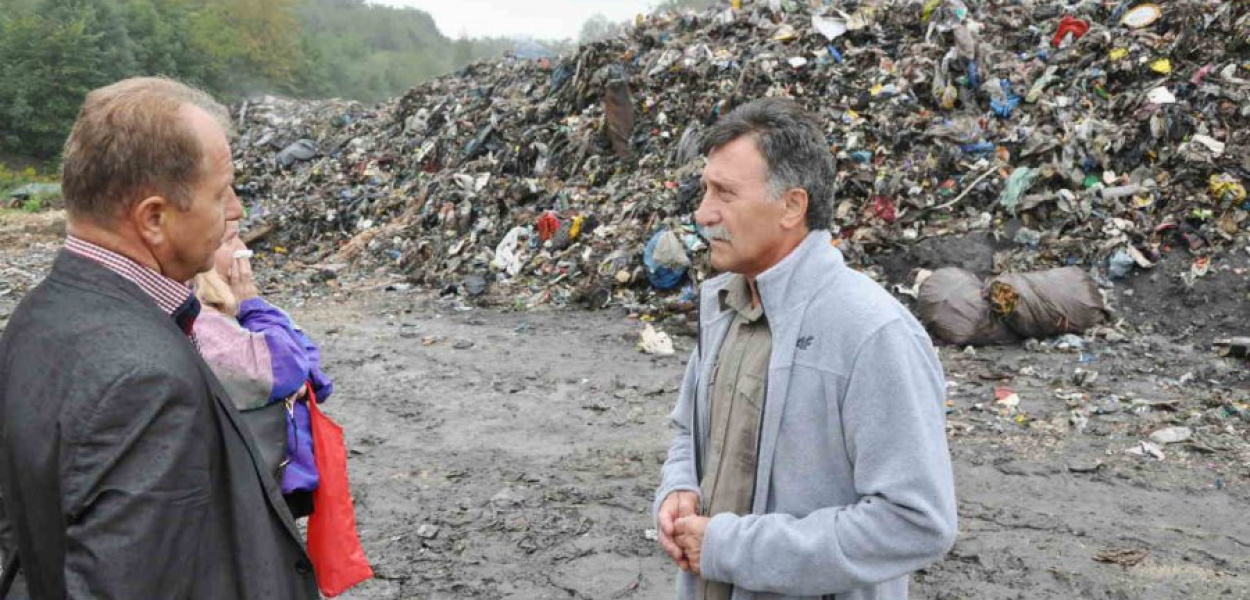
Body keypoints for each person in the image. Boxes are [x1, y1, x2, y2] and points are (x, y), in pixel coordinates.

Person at [0, 77, 318, 599]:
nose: (236, 211)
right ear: (153, 218)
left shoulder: (37, 314)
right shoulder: (144, 380)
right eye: (221, 192)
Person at [652, 98, 957, 600]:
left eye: (725, 193)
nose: (702, 213)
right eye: (705, 190)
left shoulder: (872, 333)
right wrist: (679, 486)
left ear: (792, 206)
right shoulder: (727, 306)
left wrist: (730, 548)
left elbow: (915, 522)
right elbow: (690, 430)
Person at [194, 221, 334, 519]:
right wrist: (253, 307)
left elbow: (312, 367)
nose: (243, 250)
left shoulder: (236, 307)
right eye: (230, 239)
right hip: (251, 487)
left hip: (277, 480)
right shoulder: (202, 321)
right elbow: (289, 366)